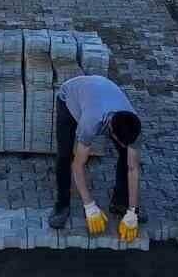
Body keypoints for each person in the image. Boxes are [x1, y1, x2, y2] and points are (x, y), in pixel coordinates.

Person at [49, 75, 143, 243]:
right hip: (70, 96)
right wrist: (89, 205)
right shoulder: (91, 122)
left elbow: (133, 168)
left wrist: (133, 211)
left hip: (102, 91)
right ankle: (62, 204)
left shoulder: (133, 122)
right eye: (120, 140)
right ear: (112, 133)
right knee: (65, 154)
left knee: (125, 154)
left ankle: (120, 203)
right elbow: (78, 165)